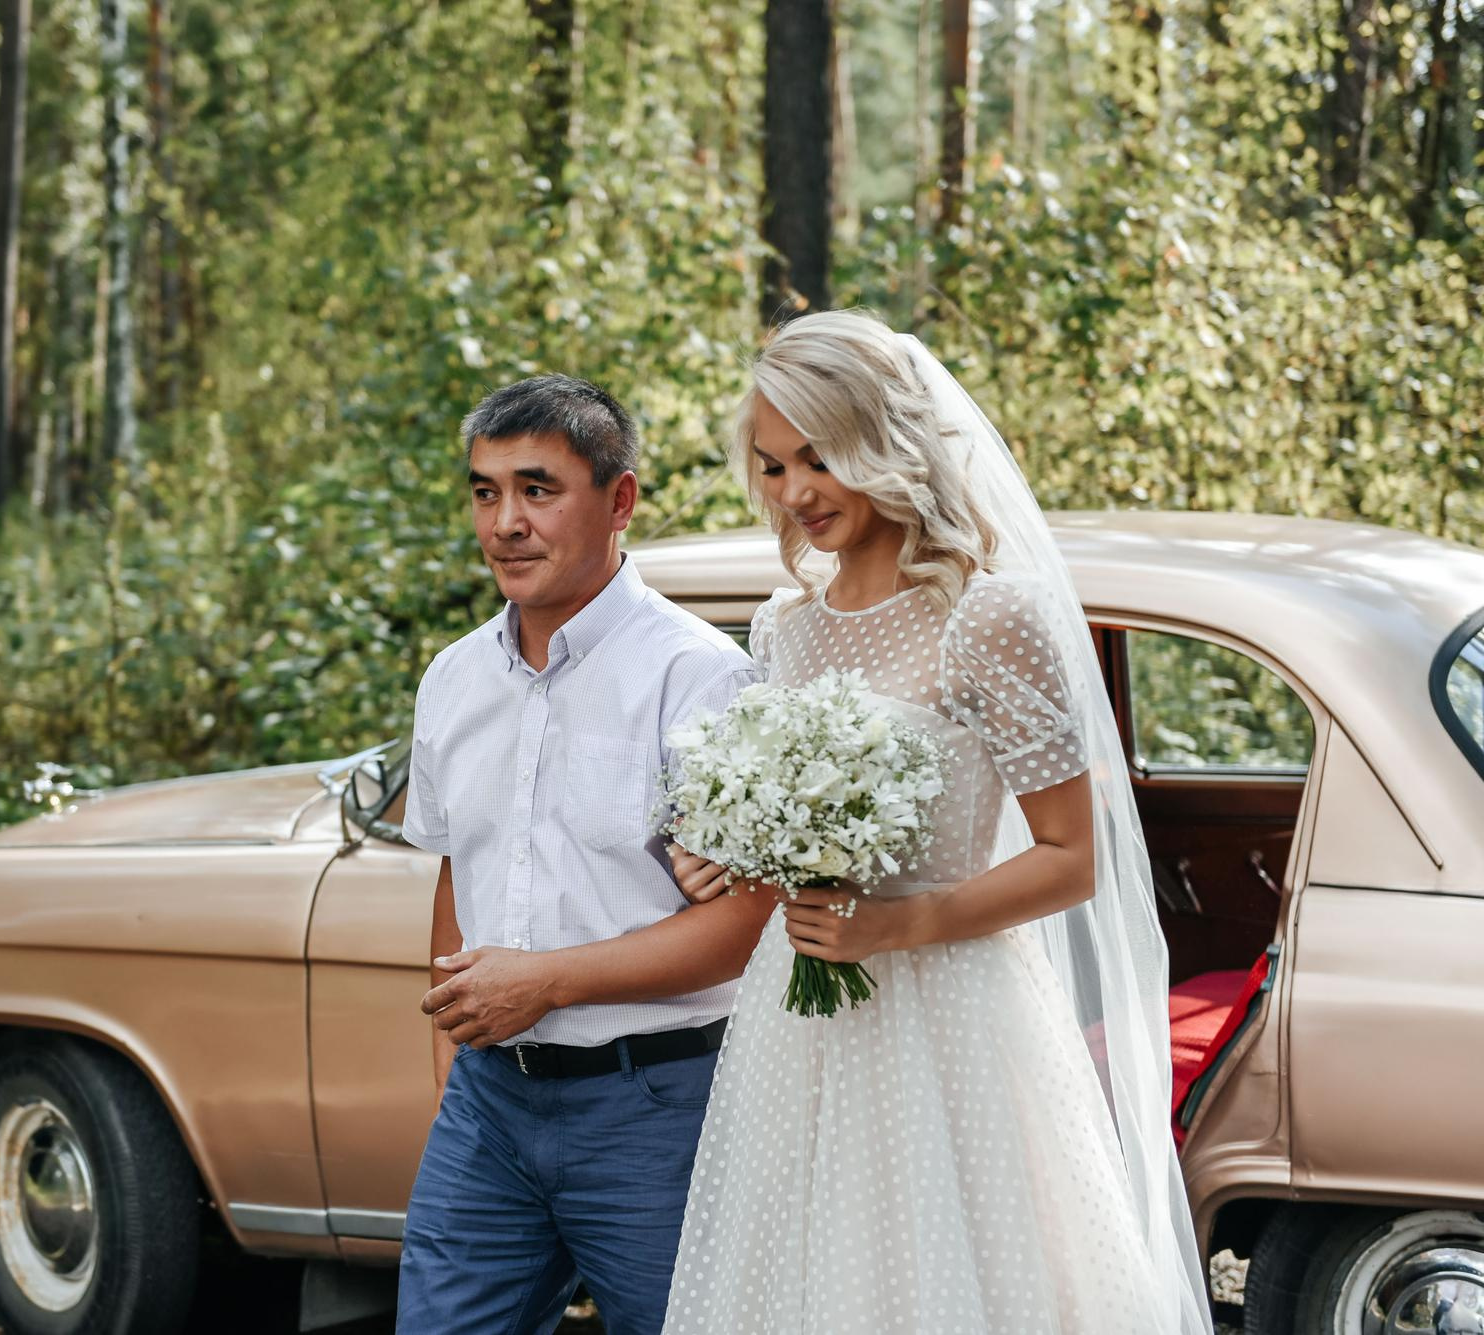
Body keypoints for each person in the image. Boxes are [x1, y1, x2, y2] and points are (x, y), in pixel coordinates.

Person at [662, 311, 1214, 1334]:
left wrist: (897, 927)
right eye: (773, 466)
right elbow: (786, 831)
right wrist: (727, 849)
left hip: (951, 1013)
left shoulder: (986, 616)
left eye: (819, 458)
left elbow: (1067, 861)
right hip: (797, 1019)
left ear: (887, 443)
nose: (795, 493)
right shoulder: (783, 625)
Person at [397, 374, 773, 1335]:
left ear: (620, 500)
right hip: (487, 1111)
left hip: (659, 1105)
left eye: (537, 489)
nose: (505, 522)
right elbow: (459, 870)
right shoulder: (452, 679)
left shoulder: (698, 677)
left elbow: (739, 928)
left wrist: (548, 984)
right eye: (485, 492)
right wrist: (458, 1049)